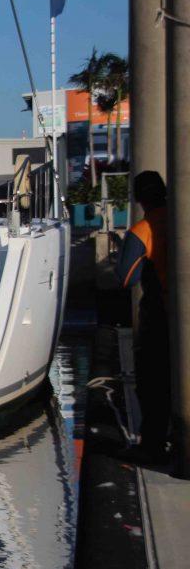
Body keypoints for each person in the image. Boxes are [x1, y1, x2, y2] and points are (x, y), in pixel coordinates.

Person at [116, 171, 170, 463]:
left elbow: (126, 277)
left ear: (137, 197)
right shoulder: (180, 218)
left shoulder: (143, 230)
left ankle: (153, 446)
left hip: (159, 314)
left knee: (153, 382)